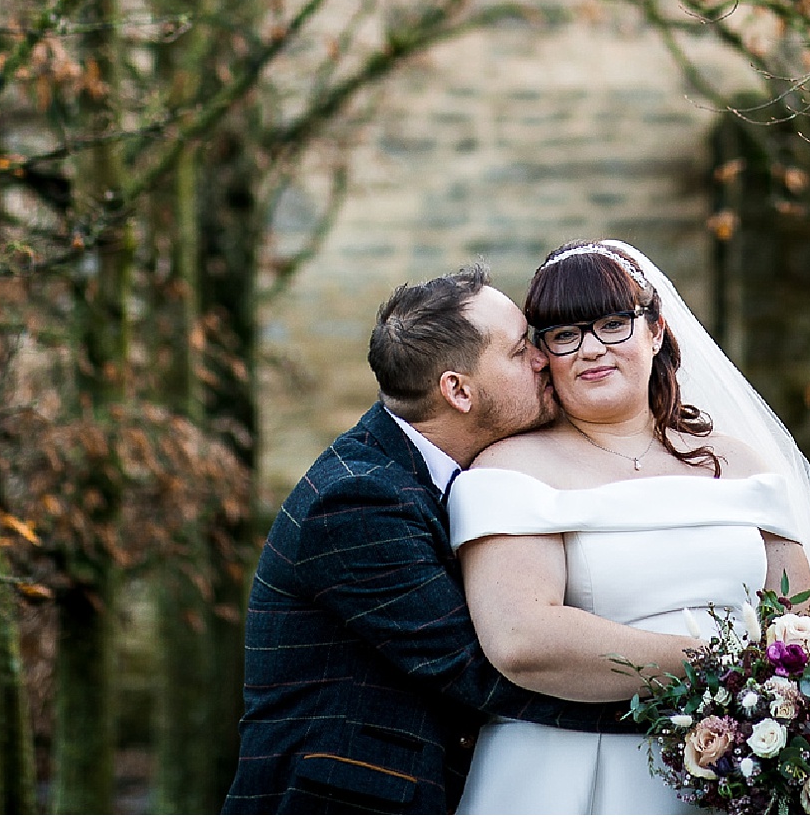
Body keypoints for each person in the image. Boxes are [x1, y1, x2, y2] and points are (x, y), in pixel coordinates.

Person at [225, 264, 699, 813]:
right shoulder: (356, 502)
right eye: (522, 350)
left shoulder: (432, 476)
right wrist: (715, 709)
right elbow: (481, 670)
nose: (546, 359)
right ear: (459, 391)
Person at [450, 239, 810, 814]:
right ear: (544, 354)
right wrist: (721, 667)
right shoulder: (511, 468)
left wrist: (774, 710)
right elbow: (523, 641)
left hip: (746, 764)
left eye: (614, 323)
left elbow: (805, 626)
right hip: (575, 765)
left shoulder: (739, 462)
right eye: (565, 335)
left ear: (657, 330)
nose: (591, 349)